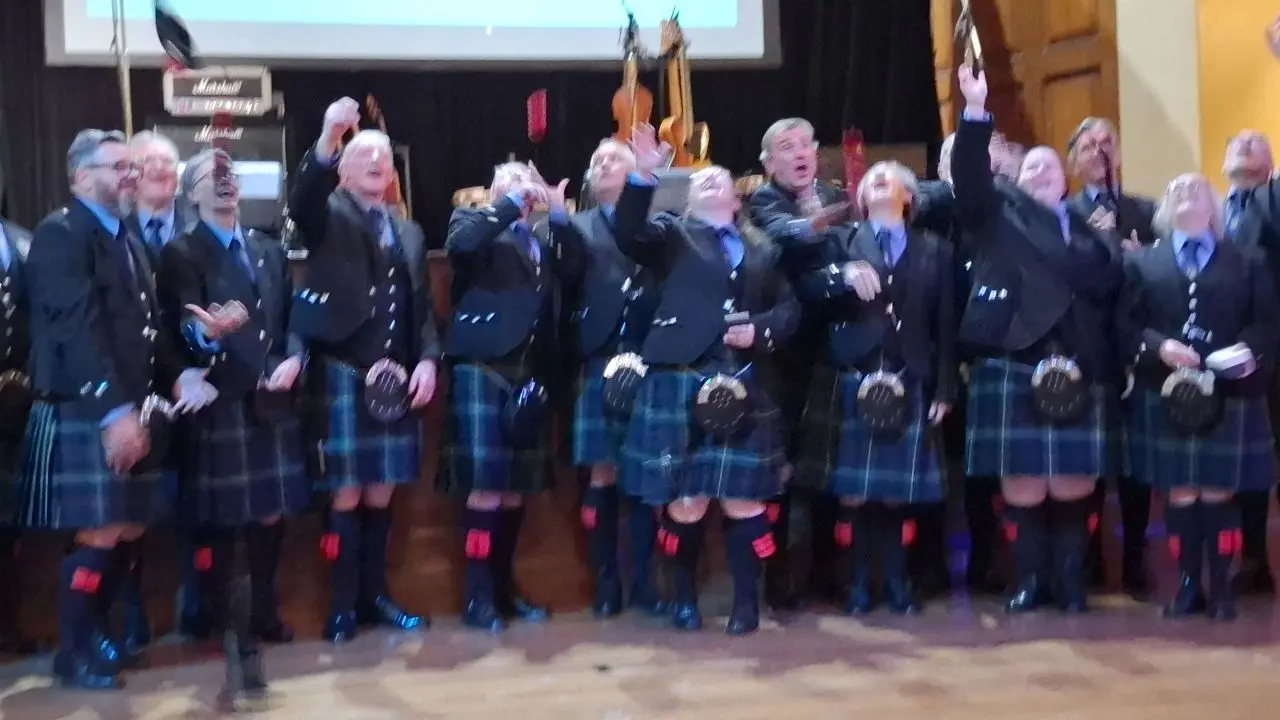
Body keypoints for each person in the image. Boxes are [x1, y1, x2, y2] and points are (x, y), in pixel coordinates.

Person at [20, 129, 215, 689]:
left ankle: (99, 636)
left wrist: (177, 374)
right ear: (81, 177)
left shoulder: (125, 236)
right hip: (88, 406)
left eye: (133, 166)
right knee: (100, 531)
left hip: (132, 402)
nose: (131, 175)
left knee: (128, 528)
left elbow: (147, 330)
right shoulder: (62, 234)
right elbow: (76, 330)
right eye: (119, 167)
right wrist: (113, 412)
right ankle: (74, 650)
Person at [616, 124, 800, 635]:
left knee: (744, 501)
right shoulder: (671, 234)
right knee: (687, 502)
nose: (712, 181)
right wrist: (643, 175)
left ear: (737, 201)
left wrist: (760, 331)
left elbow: (789, 310)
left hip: (743, 379)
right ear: (689, 200)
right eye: (702, 181)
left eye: (721, 178)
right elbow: (628, 231)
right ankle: (683, 598)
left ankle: (746, 605)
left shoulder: (763, 249)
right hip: (680, 375)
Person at [953, 66, 1123, 613]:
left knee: (1073, 482)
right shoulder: (995, 213)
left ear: (1065, 181)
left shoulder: (1092, 228)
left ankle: (1069, 583)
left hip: (1079, 360)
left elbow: (1109, 290)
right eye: (1032, 166)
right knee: (1023, 482)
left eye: (1051, 165)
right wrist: (975, 111)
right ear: (1015, 179)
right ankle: (1030, 582)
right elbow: (969, 177)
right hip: (1015, 356)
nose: (1042, 170)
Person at [288, 98, 439, 643]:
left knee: (381, 493)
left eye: (384, 157)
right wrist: (329, 137)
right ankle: (340, 606)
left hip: (395, 381)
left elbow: (422, 306)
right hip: (344, 373)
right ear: (344, 171)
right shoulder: (327, 215)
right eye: (364, 156)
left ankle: (375, 597)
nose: (377, 162)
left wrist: (427, 359)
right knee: (345, 495)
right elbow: (302, 198)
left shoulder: (409, 231)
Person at [158, 148, 309, 650]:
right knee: (226, 519)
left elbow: (291, 318)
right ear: (192, 192)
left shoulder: (267, 247)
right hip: (223, 398)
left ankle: (263, 611)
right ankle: (227, 620)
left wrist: (294, 357)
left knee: (271, 514)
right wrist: (208, 335)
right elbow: (183, 328)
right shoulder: (182, 252)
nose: (225, 180)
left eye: (230, 172)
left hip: (273, 397)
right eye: (212, 174)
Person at [794, 161, 957, 614]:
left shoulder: (936, 249)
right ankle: (858, 584)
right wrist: (840, 276)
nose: (881, 179)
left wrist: (945, 388)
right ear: (862, 198)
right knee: (855, 493)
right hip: (852, 372)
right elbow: (805, 290)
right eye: (873, 179)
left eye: (892, 177)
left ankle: (898, 582)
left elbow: (945, 325)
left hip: (910, 376)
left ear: (910, 197)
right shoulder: (839, 241)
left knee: (895, 494)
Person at [1119, 172, 1279, 621]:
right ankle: (1189, 584)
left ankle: (1222, 588)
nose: (1186, 191)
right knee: (1181, 492)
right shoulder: (1142, 263)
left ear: (1214, 206)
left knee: (1218, 492)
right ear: (1165, 209)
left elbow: (1267, 321)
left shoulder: (1248, 261)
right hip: (1166, 390)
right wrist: (1159, 346)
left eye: (1197, 187)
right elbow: (1125, 326)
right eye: (1176, 188)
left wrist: (1245, 349)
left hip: (1229, 392)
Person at [442, 159, 564, 633]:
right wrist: (510, 203)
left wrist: (555, 211)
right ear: (494, 191)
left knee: (514, 490)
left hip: (528, 373)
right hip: (483, 367)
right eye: (509, 182)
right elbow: (460, 245)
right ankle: (477, 598)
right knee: (486, 488)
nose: (521, 188)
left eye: (525, 181)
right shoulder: (472, 222)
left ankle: (503, 590)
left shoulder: (541, 239)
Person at [561, 139, 666, 617]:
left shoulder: (659, 225)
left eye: (614, 159)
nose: (603, 164)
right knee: (602, 474)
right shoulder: (574, 225)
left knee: (644, 474)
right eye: (596, 160)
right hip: (598, 356)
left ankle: (645, 583)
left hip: (650, 355)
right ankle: (607, 584)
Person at [748, 117, 849, 609]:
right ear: (769, 163)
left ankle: (826, 572)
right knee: (783, 470)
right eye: (787, 147)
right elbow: (784, 236)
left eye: (806, 144)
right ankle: (778, 577)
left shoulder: (833, 195)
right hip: (784, 354)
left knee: (827, 465)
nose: (801, 153)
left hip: (833, 347)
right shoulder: (764, 201)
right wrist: (817, 223)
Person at [1065, 116, 1157, 598]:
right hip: (1092, 351)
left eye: (1107, 142)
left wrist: (1140, 258)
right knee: (1092, 467)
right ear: (1074, 162)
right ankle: (1091, 559)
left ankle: (1137, 562)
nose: (1099, 151)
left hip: (1141, 352)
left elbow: (1167, 275)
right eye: (1088, 145)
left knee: (1137, 467)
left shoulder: (1147, 210)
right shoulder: (1065, 214)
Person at [1217, 128, 1280, 595]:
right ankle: (1253, 559)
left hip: (1276, 346)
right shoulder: (1210, 210)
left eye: (1255, 141)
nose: (1243, 144)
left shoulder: (1273, 201)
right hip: (1228, 353)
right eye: (1235, 142)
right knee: (1246, 461)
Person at [0, 213, 32, 653]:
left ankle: (7, 627)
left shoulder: (22, 240)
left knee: (9, 522)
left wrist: (26, 377)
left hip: (14, 403)